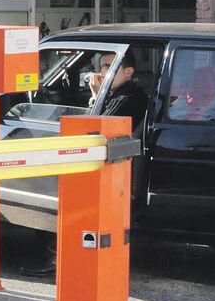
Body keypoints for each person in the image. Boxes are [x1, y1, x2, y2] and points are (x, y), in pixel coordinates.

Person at [22, 52, 149, 277]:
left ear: (128, 72)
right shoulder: (120, 93)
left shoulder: (129, 97)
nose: (101, 72)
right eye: (101, 66)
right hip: (109, 165)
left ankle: (58, 256)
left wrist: (96, 96)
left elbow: (98, 127)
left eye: (108, 66)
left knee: (58, 194)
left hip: (113, 171)